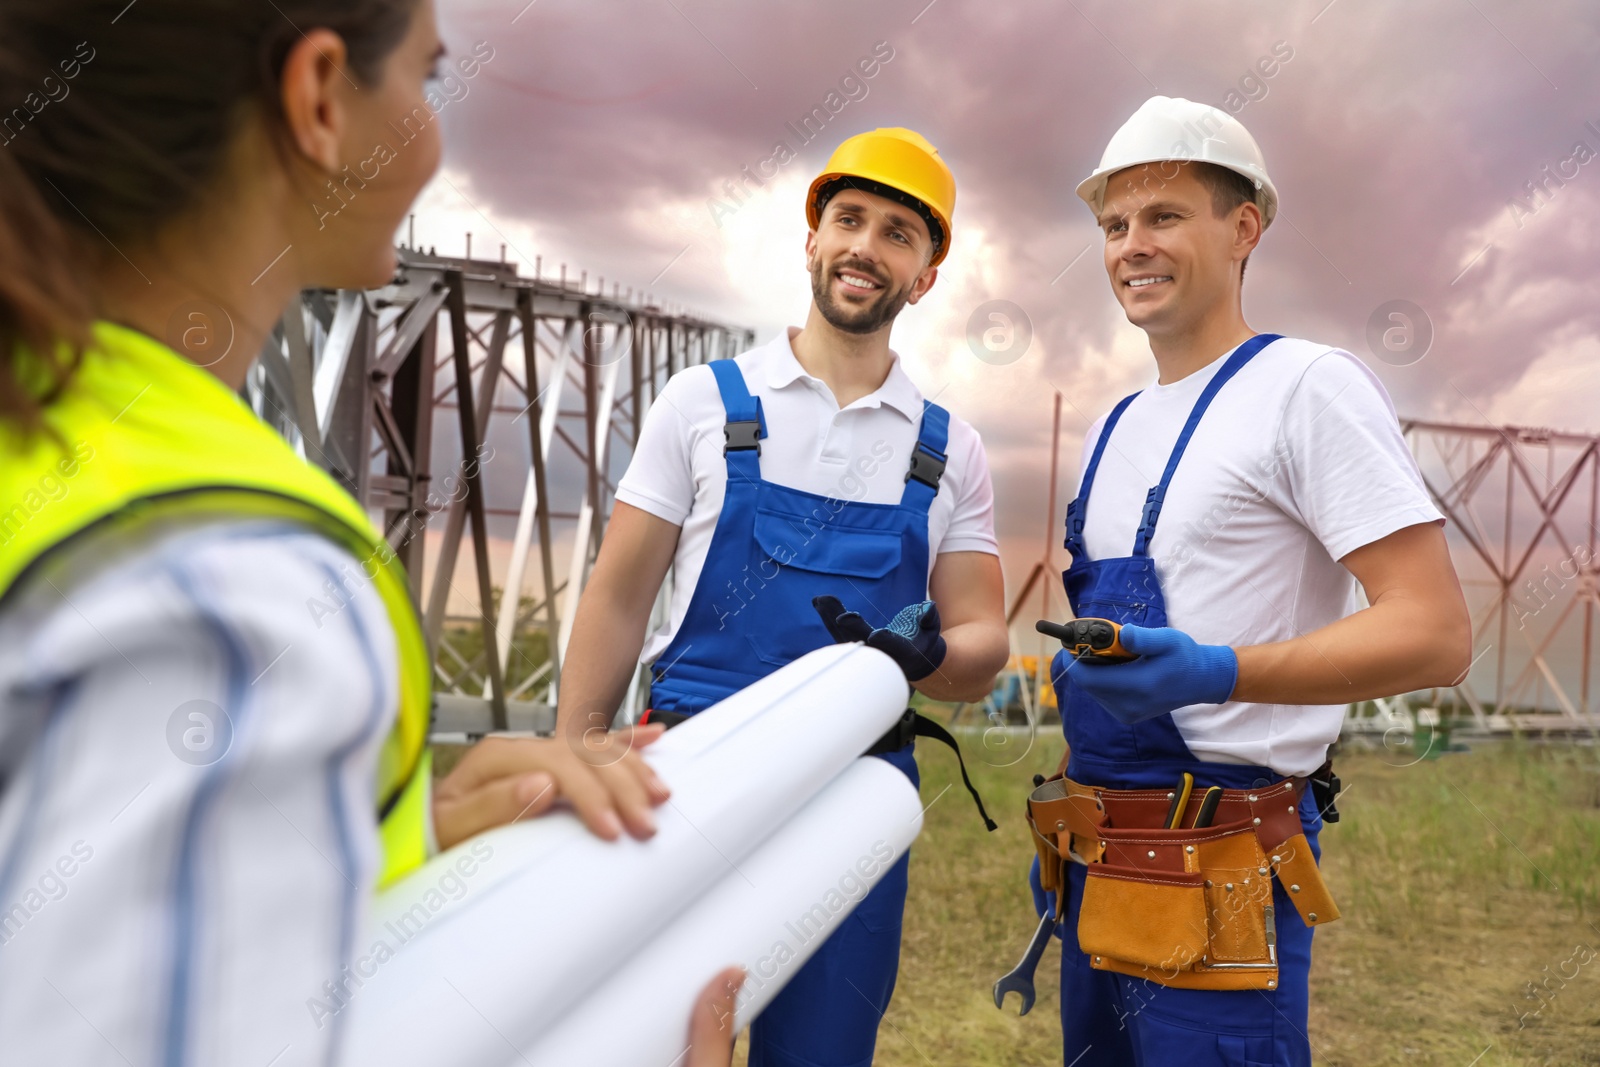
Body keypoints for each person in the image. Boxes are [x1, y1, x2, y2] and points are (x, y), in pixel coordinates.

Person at [0, 2, 738, 1064]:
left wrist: (398, 832)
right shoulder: (233, 583)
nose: (433, 133)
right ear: (316, 100)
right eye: (427, 80)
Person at [1029, 96, 1472, 1065]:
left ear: (1243, 228)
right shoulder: (1110, 429)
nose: (1131, 245)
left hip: (1221, 873)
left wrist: (1215, 670)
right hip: (1093, 868)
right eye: (1113, 224)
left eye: (1163, 215)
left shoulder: (1307, 388)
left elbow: (1435, 630)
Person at [556, 127, 1010, 1066]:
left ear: (925, 275)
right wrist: (576, 757)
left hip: (857, 798)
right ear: (812, 238)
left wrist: (930, 656)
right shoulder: (702, 404)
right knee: (652, 1043)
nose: (865, 247)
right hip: (688, 776)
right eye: (849, 220)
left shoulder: (948, 449)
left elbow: (983, 638)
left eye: (897, 233)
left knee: (825, 1050)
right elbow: (616, 596)